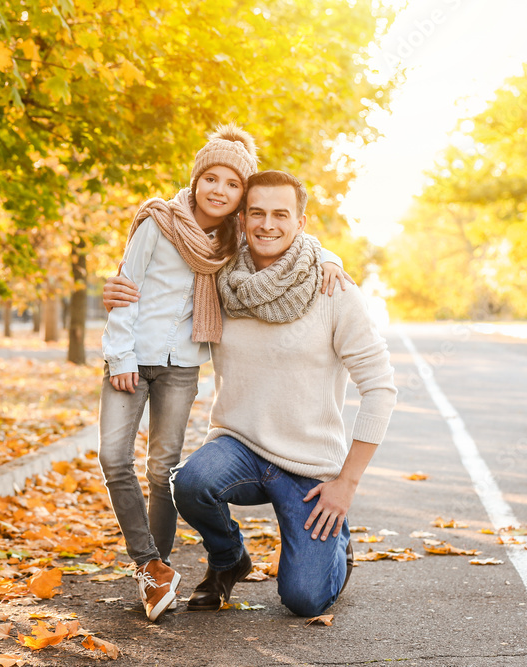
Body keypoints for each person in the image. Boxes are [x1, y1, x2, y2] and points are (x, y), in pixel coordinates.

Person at [99, 127, 350, 622]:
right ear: (194, 181)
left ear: (240, 198)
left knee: (163, 470)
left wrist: (331, 257)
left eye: (231, 183)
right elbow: (126, 286)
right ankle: (148, 563)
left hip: (183, 362)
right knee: (114, 458)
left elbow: (292, 233)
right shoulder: (158, 220)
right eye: (209, 178)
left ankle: (161, 570)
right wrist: (119, 351)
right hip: (131, 358)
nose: (218, 189)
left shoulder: (234, 238)